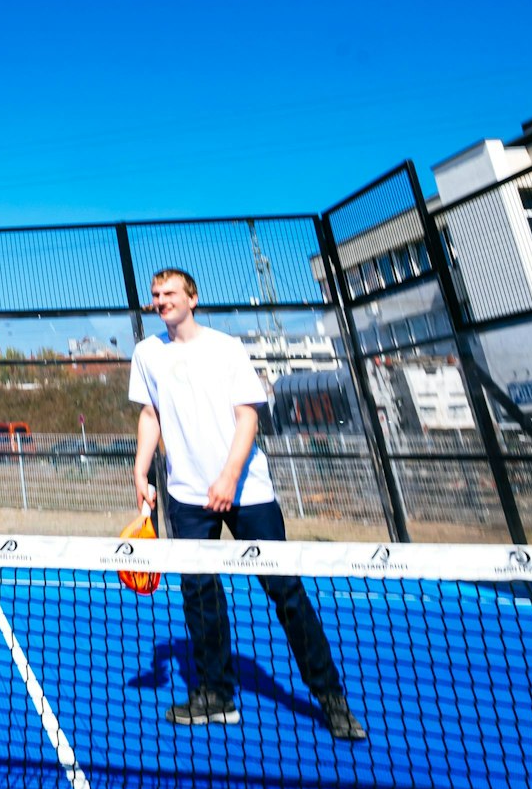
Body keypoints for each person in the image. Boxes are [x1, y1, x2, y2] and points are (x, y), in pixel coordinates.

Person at [129, 268, 366, 741]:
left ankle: (331, 698)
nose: (161, 300)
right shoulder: (147, 353)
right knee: (200, 594)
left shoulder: (226, 348)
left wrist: (229, 478)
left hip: (247, 493)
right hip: (188, 497)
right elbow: (150, 413)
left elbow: (248, 417)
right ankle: (217, 695)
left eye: (170, 293)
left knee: (286, 593)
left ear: (192, 298)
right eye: (156, 295)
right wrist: (140, 469)